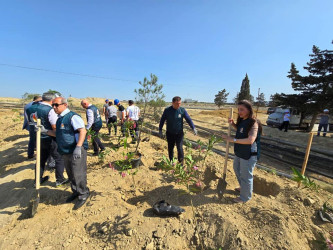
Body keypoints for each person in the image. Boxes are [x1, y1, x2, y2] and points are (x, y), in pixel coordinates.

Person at [41, 97, 90, 210]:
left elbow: (83, 131)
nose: (54, 107)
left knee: (78, 173)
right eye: (53, 105)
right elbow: (57, 133)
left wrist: (78, 147)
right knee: (70, 173)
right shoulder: (60, 119)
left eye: (56, 105)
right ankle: (75, 191)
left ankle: (83, 194)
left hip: (75, 150)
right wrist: (45, 131)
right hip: (65, 151)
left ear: (65, 105)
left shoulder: (72, 117)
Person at [222, 100, 262, 203]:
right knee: (236, 168)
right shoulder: (243, 120)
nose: (239, 112)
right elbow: (241, 130)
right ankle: (244, 188)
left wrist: (232, 139)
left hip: (249, 154)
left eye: (242, 109)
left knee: (246, 175)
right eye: (238, 109)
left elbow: (250, 140)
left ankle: (245, 197)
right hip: (240, 151)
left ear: (249, 110)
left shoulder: (253, 123)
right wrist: (233, 124)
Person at [28, 92, 68, 186]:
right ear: (51, 100)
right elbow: (54, 127)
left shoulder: (30, 108)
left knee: (41, 159)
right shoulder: (49, 110)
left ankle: (37, 180)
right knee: (59, 158)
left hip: (37, 137)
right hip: (49, 138)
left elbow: (30, 123)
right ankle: (60, 179)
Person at [159, 96, 197, 163]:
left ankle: (181, 163)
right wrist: (160, 130)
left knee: (180, 148)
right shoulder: (167, 110)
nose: (179, 105)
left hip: (179, 134)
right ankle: (171, 162)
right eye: (177, 103)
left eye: (180, 103)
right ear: (172, 103)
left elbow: (188, 119)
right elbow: (162, 120)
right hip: (170, 133)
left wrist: (193, 127)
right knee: (170, 148)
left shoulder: (182, 110)